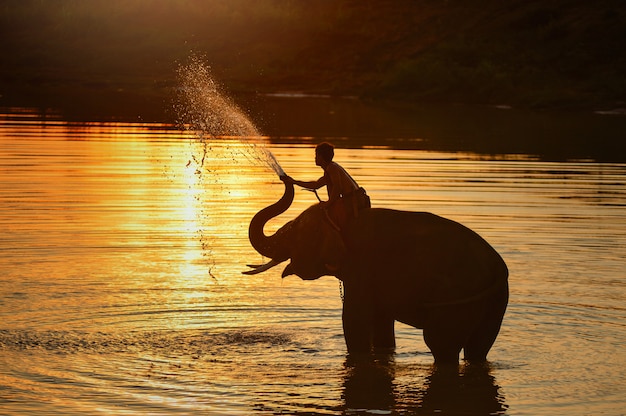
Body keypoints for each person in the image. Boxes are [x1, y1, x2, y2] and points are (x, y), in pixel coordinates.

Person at [283, 142, 370, 230]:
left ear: (321, 157)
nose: (315, 158)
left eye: (316, 155)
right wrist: (294, 181)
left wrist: (328, 203)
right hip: (353, 199)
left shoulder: (331, 168)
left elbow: (337, 187)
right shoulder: (330, 169)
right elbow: (316, 185)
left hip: (352, 201)